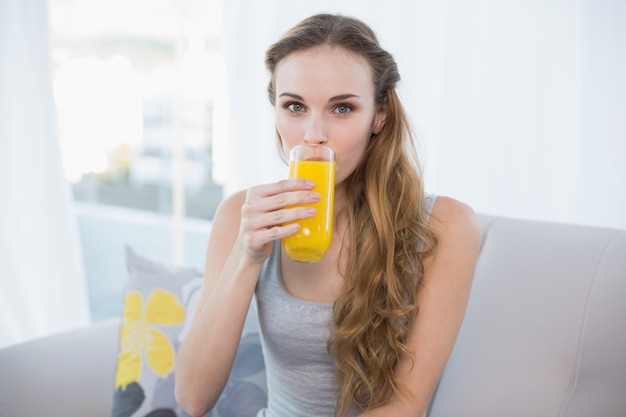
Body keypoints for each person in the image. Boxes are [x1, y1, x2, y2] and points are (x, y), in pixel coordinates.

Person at [175, 13, 480, 417]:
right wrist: (247, 256)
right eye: (295, 106)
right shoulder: (241, 216)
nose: (313, 134)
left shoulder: (446, 226)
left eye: (342, 109)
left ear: (379, 115)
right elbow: (193, 399)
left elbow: (403, 406)